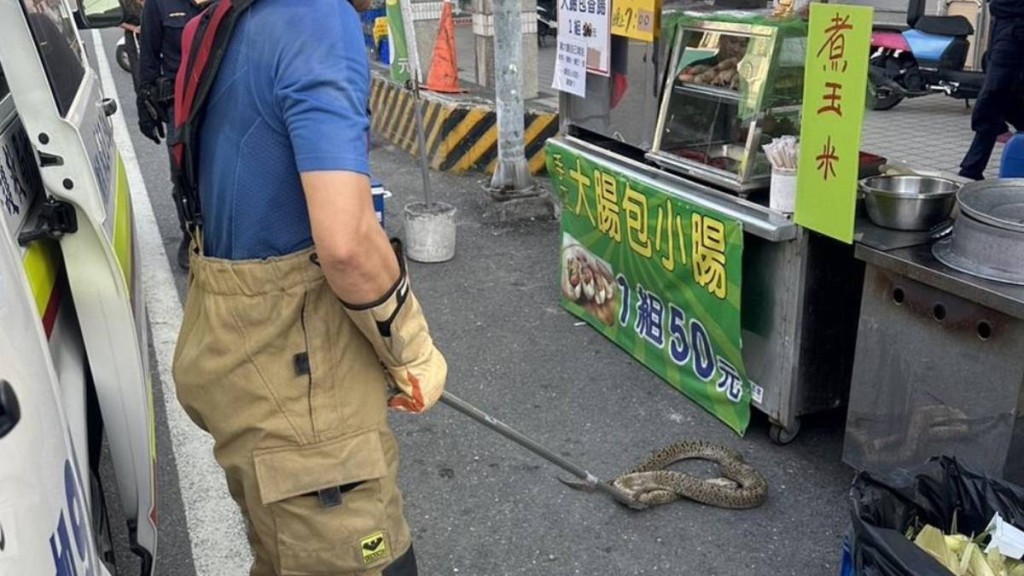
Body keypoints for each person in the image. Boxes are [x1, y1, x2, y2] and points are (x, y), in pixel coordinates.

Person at [171, 0, 448, 574]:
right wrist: (413, 350)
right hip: (293, 368)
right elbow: (346, 243)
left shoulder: (220, 21)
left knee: (284, 554)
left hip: (231, 342)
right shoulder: (316, 18)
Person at [136, 0, 204, 268]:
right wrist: (145, 103)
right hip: (181, 102)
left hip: (222, 97)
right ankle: (191, 233)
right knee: (183, 172)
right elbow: (148, 58)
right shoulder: (159, 4)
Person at [959, 0, 1024, 181]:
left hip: (1011, 26)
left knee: (998, 95)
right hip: (1006, 26)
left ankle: (971, 169)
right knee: (995, 94)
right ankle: (971, 170)